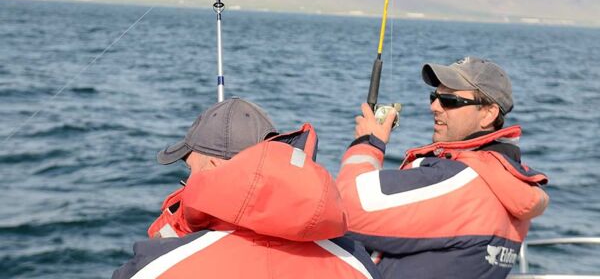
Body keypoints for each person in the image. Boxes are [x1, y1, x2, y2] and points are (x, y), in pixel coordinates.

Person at [113, 97, 381, 279]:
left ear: (214, 169)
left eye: (191, 172)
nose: (188, 185)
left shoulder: (155, 269)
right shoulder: (357, 263)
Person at [336, 57, 549, 279]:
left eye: (449, 100)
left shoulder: (462, 181)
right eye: (434, 97)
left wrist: (368, 144)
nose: (434, 107)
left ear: (488, 114)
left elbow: (344, 207)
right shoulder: (509, 181)